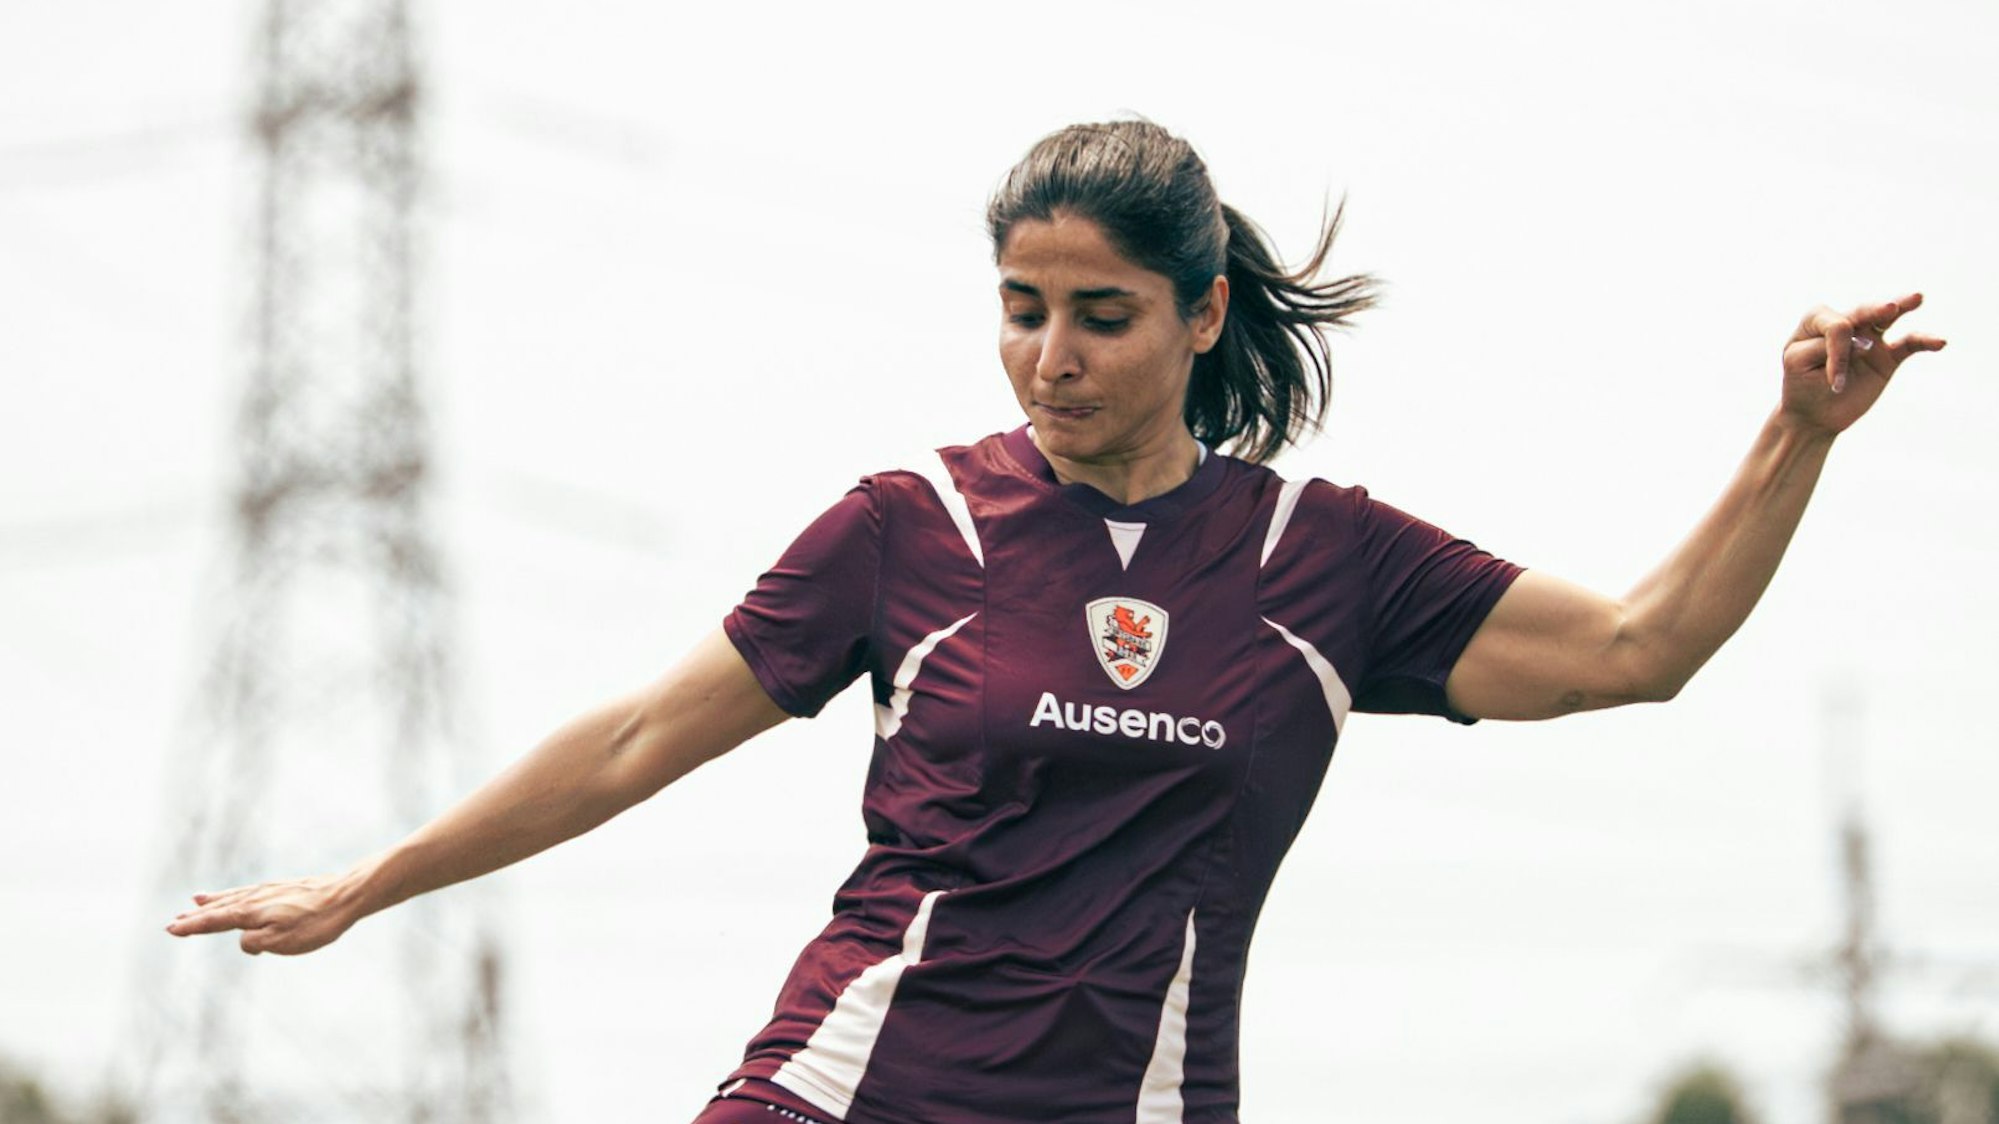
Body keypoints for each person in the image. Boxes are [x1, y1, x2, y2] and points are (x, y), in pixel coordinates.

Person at [166, 120, 1947, 1123]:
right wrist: (368, 882)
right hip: (845, 1090)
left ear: (1199, 314)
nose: (1050, 355)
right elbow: (636, 739)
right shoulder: (908, 529)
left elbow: (1642, 648)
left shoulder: (1322, 564)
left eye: (1099, 314)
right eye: (1020, 309)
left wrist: (1796, 433)